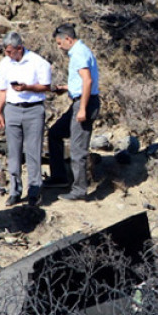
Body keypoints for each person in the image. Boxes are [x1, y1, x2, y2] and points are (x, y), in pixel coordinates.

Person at [0, 32, 52, 206]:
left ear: (20, 48)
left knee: (33, 152)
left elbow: (46, 86)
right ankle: (15, 191)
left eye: (10, 51)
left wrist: (27, 87)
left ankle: (34, 191)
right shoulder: (5, 63)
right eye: (6, 51)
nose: (8, 54)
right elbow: (2, 89)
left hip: (33, 110)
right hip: (12, 109)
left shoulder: (38, 62)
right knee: (13, 152)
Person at [46, 23, 101, 201]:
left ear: (68, 39)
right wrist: (67, 88)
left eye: (60, 43)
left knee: (78, 150)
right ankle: (59, 177)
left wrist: (83, 108)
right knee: (54, 133)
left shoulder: (78, 53)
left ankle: (79, 190)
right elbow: (83, 82)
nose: (59, 47)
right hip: (80, 101)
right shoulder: (81, 51)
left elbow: (87, 81)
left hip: (84, 103)